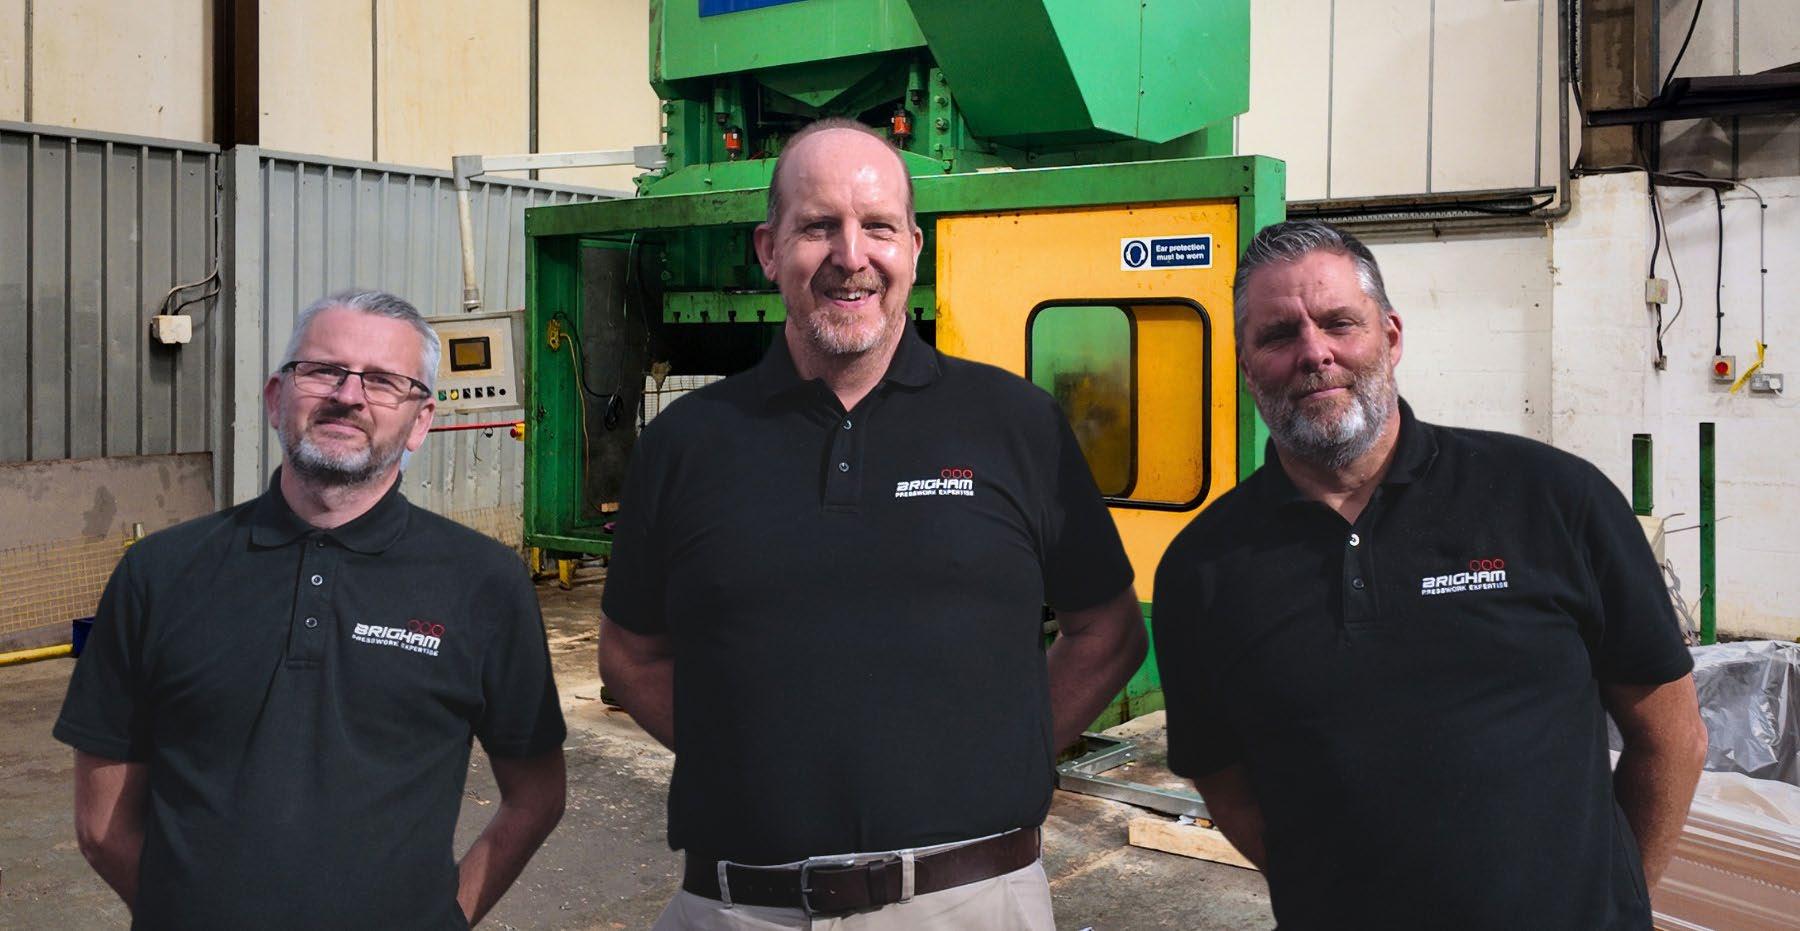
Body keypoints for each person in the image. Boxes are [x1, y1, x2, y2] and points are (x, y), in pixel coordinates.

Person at [599, 118, 1147, 929]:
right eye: (818, 226)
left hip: (969, 903)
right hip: (740, 906)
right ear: (768, 250)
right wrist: (748, 758)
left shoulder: (1016, 424)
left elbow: (1108, 630)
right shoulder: (686, 442)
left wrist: (1008, 754)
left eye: (879, 227)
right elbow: (630, 654)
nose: (851, 255)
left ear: (913, 249)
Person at [1152, 220, 1709, 929]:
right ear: (1246, 364)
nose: (1314, 353)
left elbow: (1672, 736)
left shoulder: (1554, 500)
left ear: (1390, 337)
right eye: (1278, 335)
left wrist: (1618, 902)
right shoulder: (1202, 570)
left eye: (1339, 323)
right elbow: (1225, 781)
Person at [55, 289, 567, 929]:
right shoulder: (158, 573)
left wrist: (445, 918)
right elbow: (101, 824)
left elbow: (536, 795)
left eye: (383, 380)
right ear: (276, 398)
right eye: (324, 370)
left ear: (420, 421)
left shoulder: (484, 583)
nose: (349, 395)